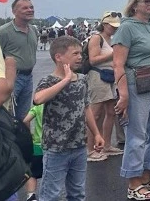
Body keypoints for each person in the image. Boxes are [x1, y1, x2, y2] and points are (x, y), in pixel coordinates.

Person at [112, 0, 150, 200]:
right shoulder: (127, 28)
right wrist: (123, 93)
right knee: (137, 135)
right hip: (135, 83)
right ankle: (133, 183)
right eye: (146, 1)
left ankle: (146, 176)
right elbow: (118, 63)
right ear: (134, 5)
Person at [33, 36, 105, 201]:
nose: (80, 57)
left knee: (77, 193)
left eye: (81, 53)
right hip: (56, 148)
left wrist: (96, 133)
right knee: (51, 194)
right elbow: (38, 99)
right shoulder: (49, 80)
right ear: (59, 57)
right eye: (75, 54)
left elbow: (86, 108)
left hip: (79, 146)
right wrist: (65, 80)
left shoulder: (81, 80)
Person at [85, 11, 123, 162]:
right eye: (112, 26)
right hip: (98, 76)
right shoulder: (96, 38)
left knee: (111, 112)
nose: (114, 28)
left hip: (110, 76)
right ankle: (89, 149)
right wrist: (114, 53)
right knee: (95, 113)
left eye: (116, 26)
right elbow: (94, 60)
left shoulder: (112, 38)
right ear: (104, 24)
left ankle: (106, 145)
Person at [0, 0, 39, 120]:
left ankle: (21, 139)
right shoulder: (3, 32)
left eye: (31, 7)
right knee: (7, 114)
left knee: (23, 115)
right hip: (12, 78)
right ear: (14, 12)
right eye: (25, 8)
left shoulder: (33, 30)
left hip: (28, 77)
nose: (30, 10)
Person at [23, 102, 45, 201]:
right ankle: (47, 194)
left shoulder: (38, 106)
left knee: (33, 172)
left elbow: (26, 120)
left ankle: (31, 195)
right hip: (53, 146)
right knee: (50, 172)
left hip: (37, 145)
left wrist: (29, 134)